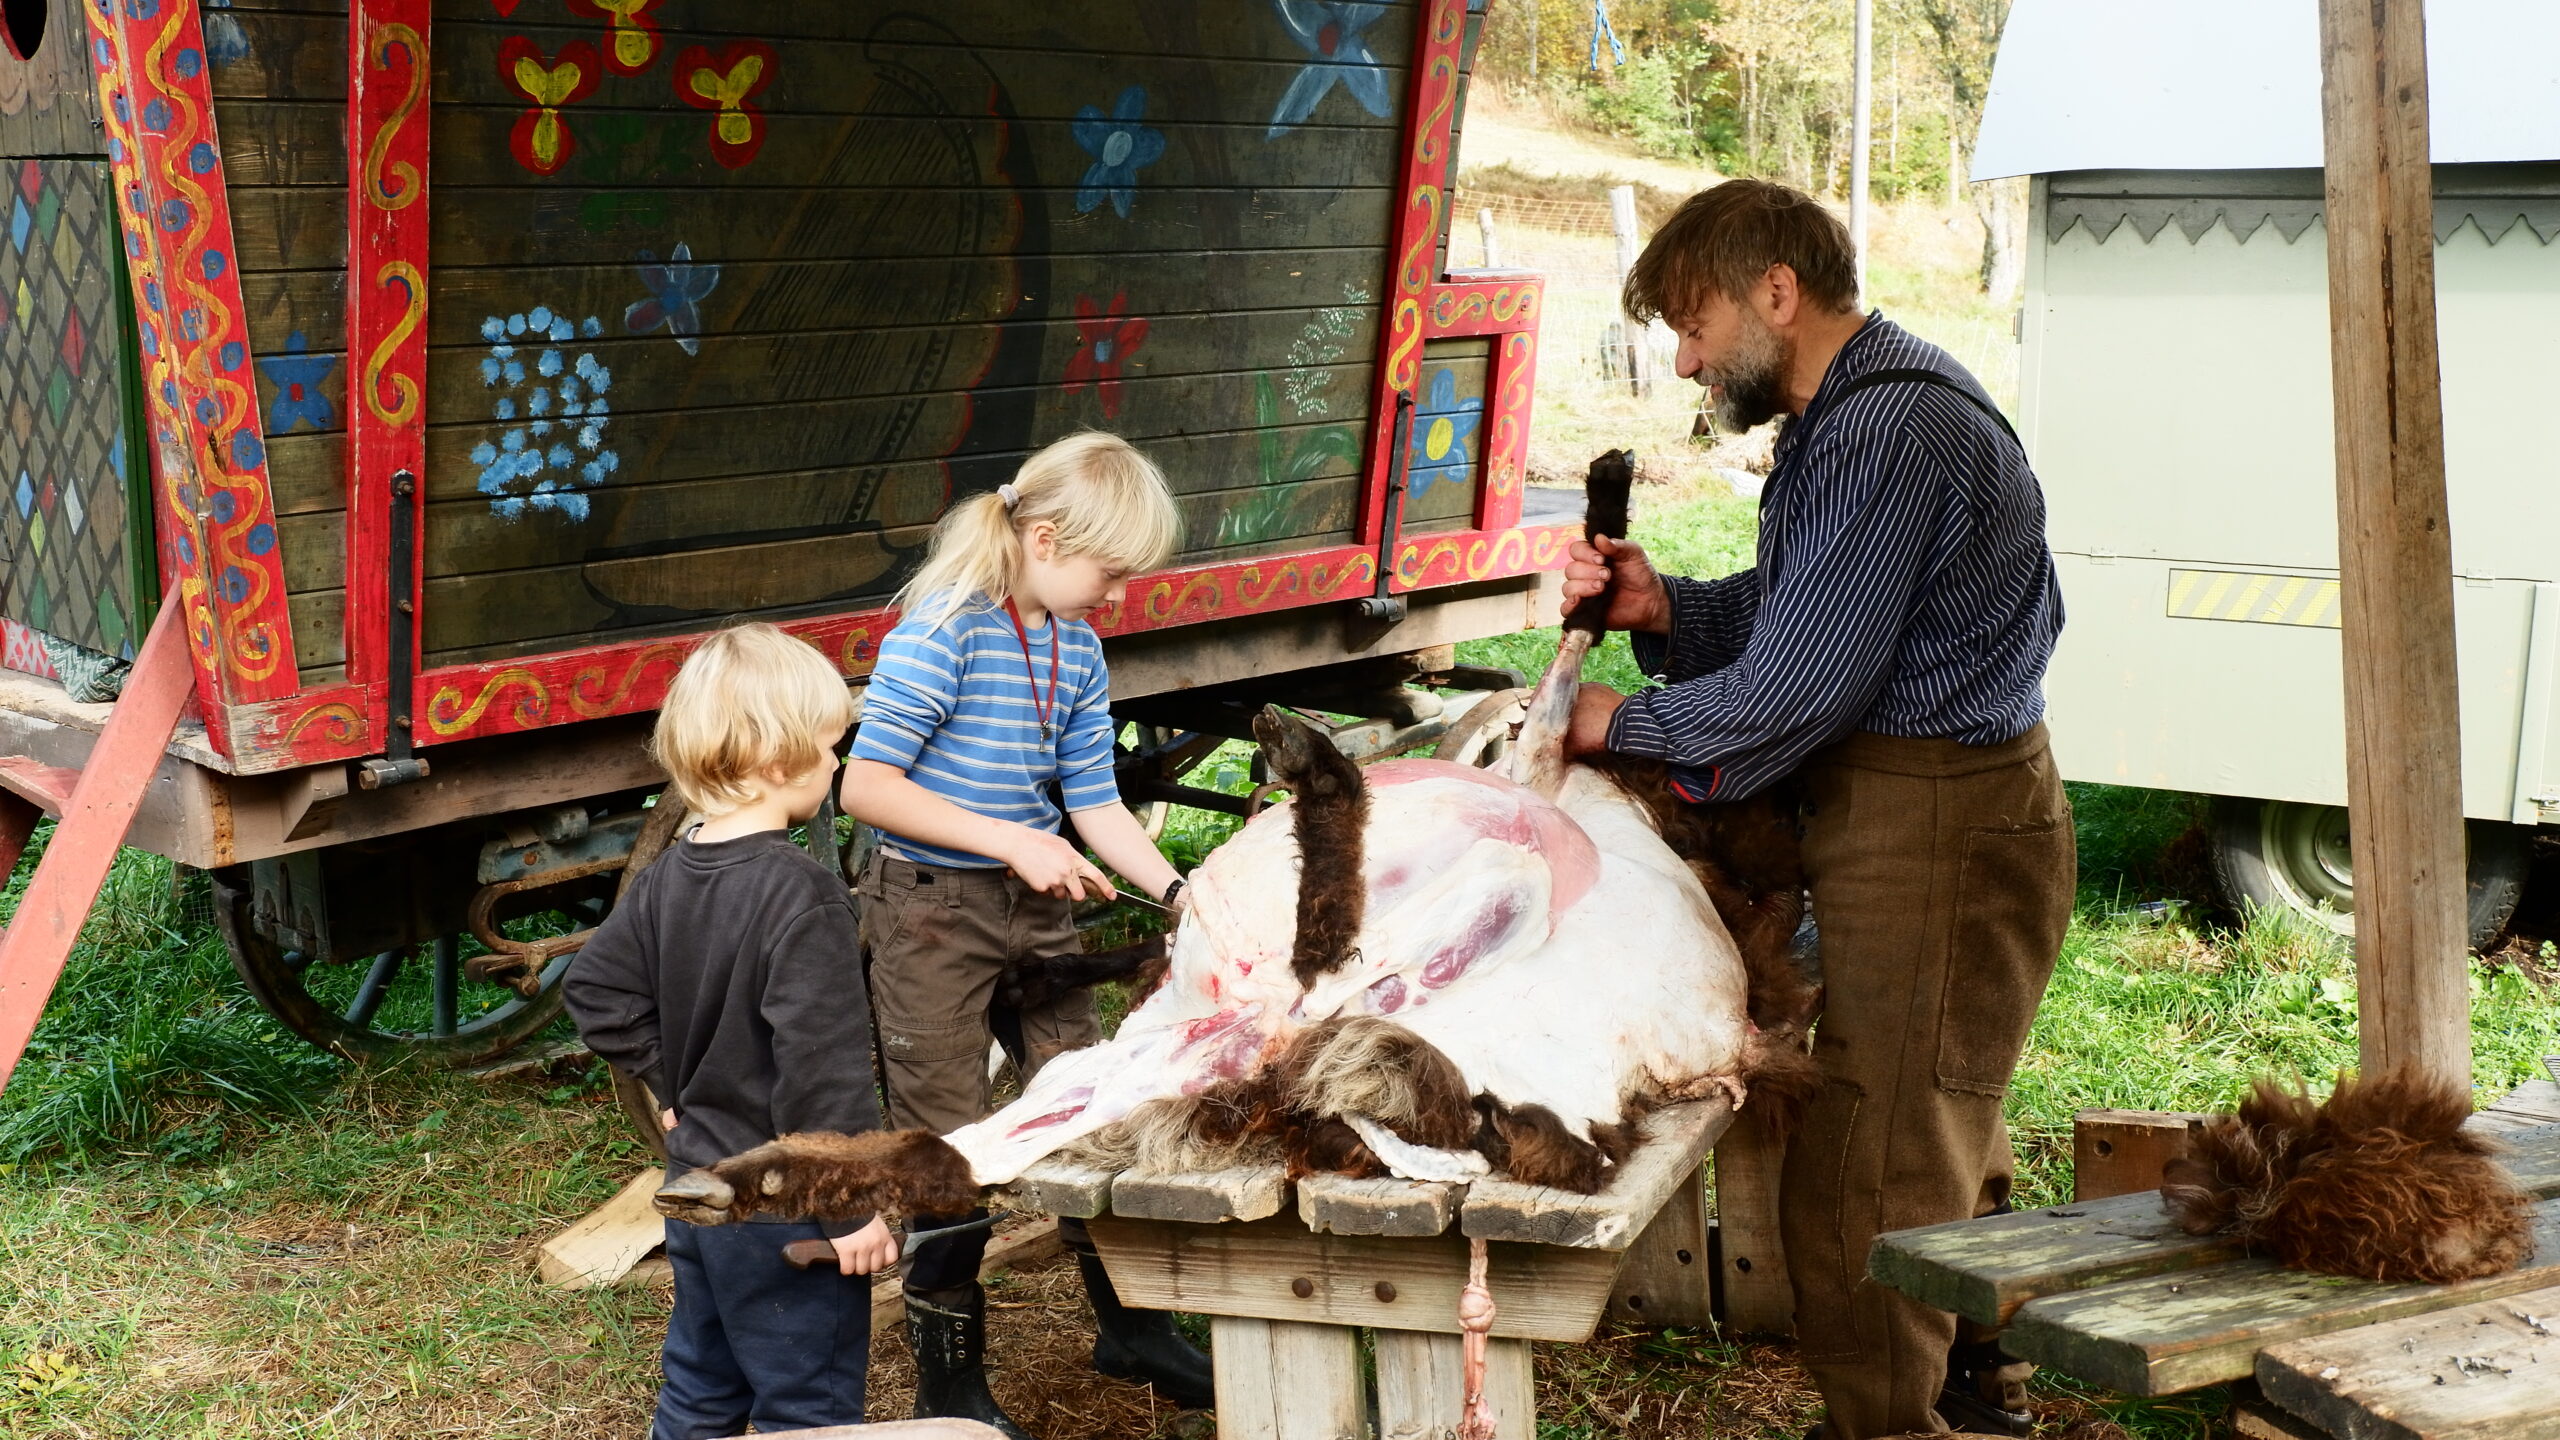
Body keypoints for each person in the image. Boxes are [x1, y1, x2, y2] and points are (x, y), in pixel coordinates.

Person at [1560, 179, 2074, 1440]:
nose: (1687, 361)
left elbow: (1800, 689)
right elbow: (1821, 605)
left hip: (1935, 818)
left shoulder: (1885, 428)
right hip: (1927, 801)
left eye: (1694, 327)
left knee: (1867, 1165)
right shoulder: (1857, 409)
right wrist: (1670, 609)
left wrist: (1619, 728)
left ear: (1776, 294)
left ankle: (1887, 1427)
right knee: (1934, 1119)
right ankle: (1976, 1392)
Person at [841, 431, 1211, 1436]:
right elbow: (867, 786)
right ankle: (949, 1382)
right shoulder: (943, 629)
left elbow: (1093, 801)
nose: (1117, 593)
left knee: (1089, 1109)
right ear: (1043, 540)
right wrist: (1011, 839)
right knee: (947, 1146)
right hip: (929, 910)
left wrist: (1181, 891)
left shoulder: (1075, 647)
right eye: (1110, 571)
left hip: (1033, 906)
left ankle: (1132, 1328)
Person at [563, 623, 897, 1440]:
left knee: (700, 1390)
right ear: (778, 760)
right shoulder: (803, 895)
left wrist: (669, 1083)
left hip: (694, 1186)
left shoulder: (668, 875)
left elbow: (594, 988)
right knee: (807, 1411)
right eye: (829, 746)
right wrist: (850, 1209)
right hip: (783, 1210)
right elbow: (822, 1073)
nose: (837, 763)